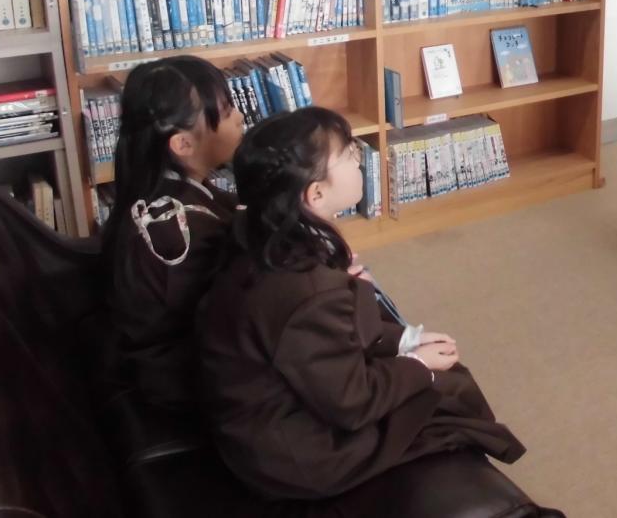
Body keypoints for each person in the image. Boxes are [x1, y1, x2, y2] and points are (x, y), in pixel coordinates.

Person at [196, 107, 526, 500]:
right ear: (316, 193)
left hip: (271, 412)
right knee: (447, 391)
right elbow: (352, 402)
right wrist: (417, 363)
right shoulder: (307, 289)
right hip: (298, 451)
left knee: (447, 379)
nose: (360, 159)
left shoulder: (263, 230)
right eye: (350, 154)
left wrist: (403, 340)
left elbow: (316, 341)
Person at [104, 55, 245, 409]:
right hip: (181, 384)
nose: (240, 117)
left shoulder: (158, 190)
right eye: (227, 111)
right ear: (183, 145)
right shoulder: (176, 230)